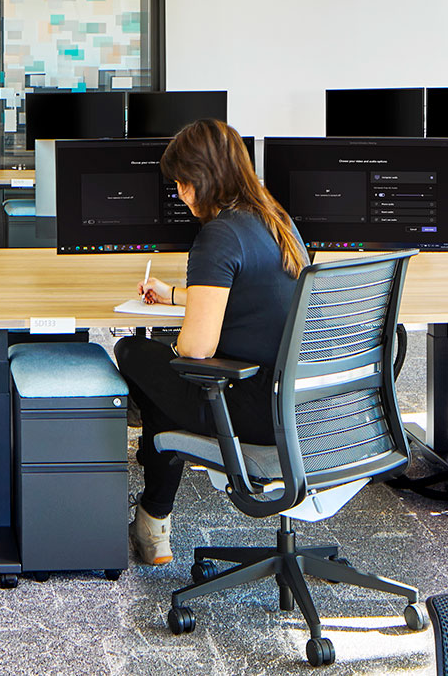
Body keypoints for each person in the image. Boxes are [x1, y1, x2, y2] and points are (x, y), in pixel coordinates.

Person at [115, 119, 308, 566]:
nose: (181, 194)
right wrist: (177, 296)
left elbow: (196, 350)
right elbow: (251, 298)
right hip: (300, 404)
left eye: (184, 183)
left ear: (206, 179)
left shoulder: (218, 235)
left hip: (253, 411)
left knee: (137, 353)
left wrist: (180, 340)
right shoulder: (276, 220)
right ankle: (153, 521)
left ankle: (154, 514)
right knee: (165, 381)